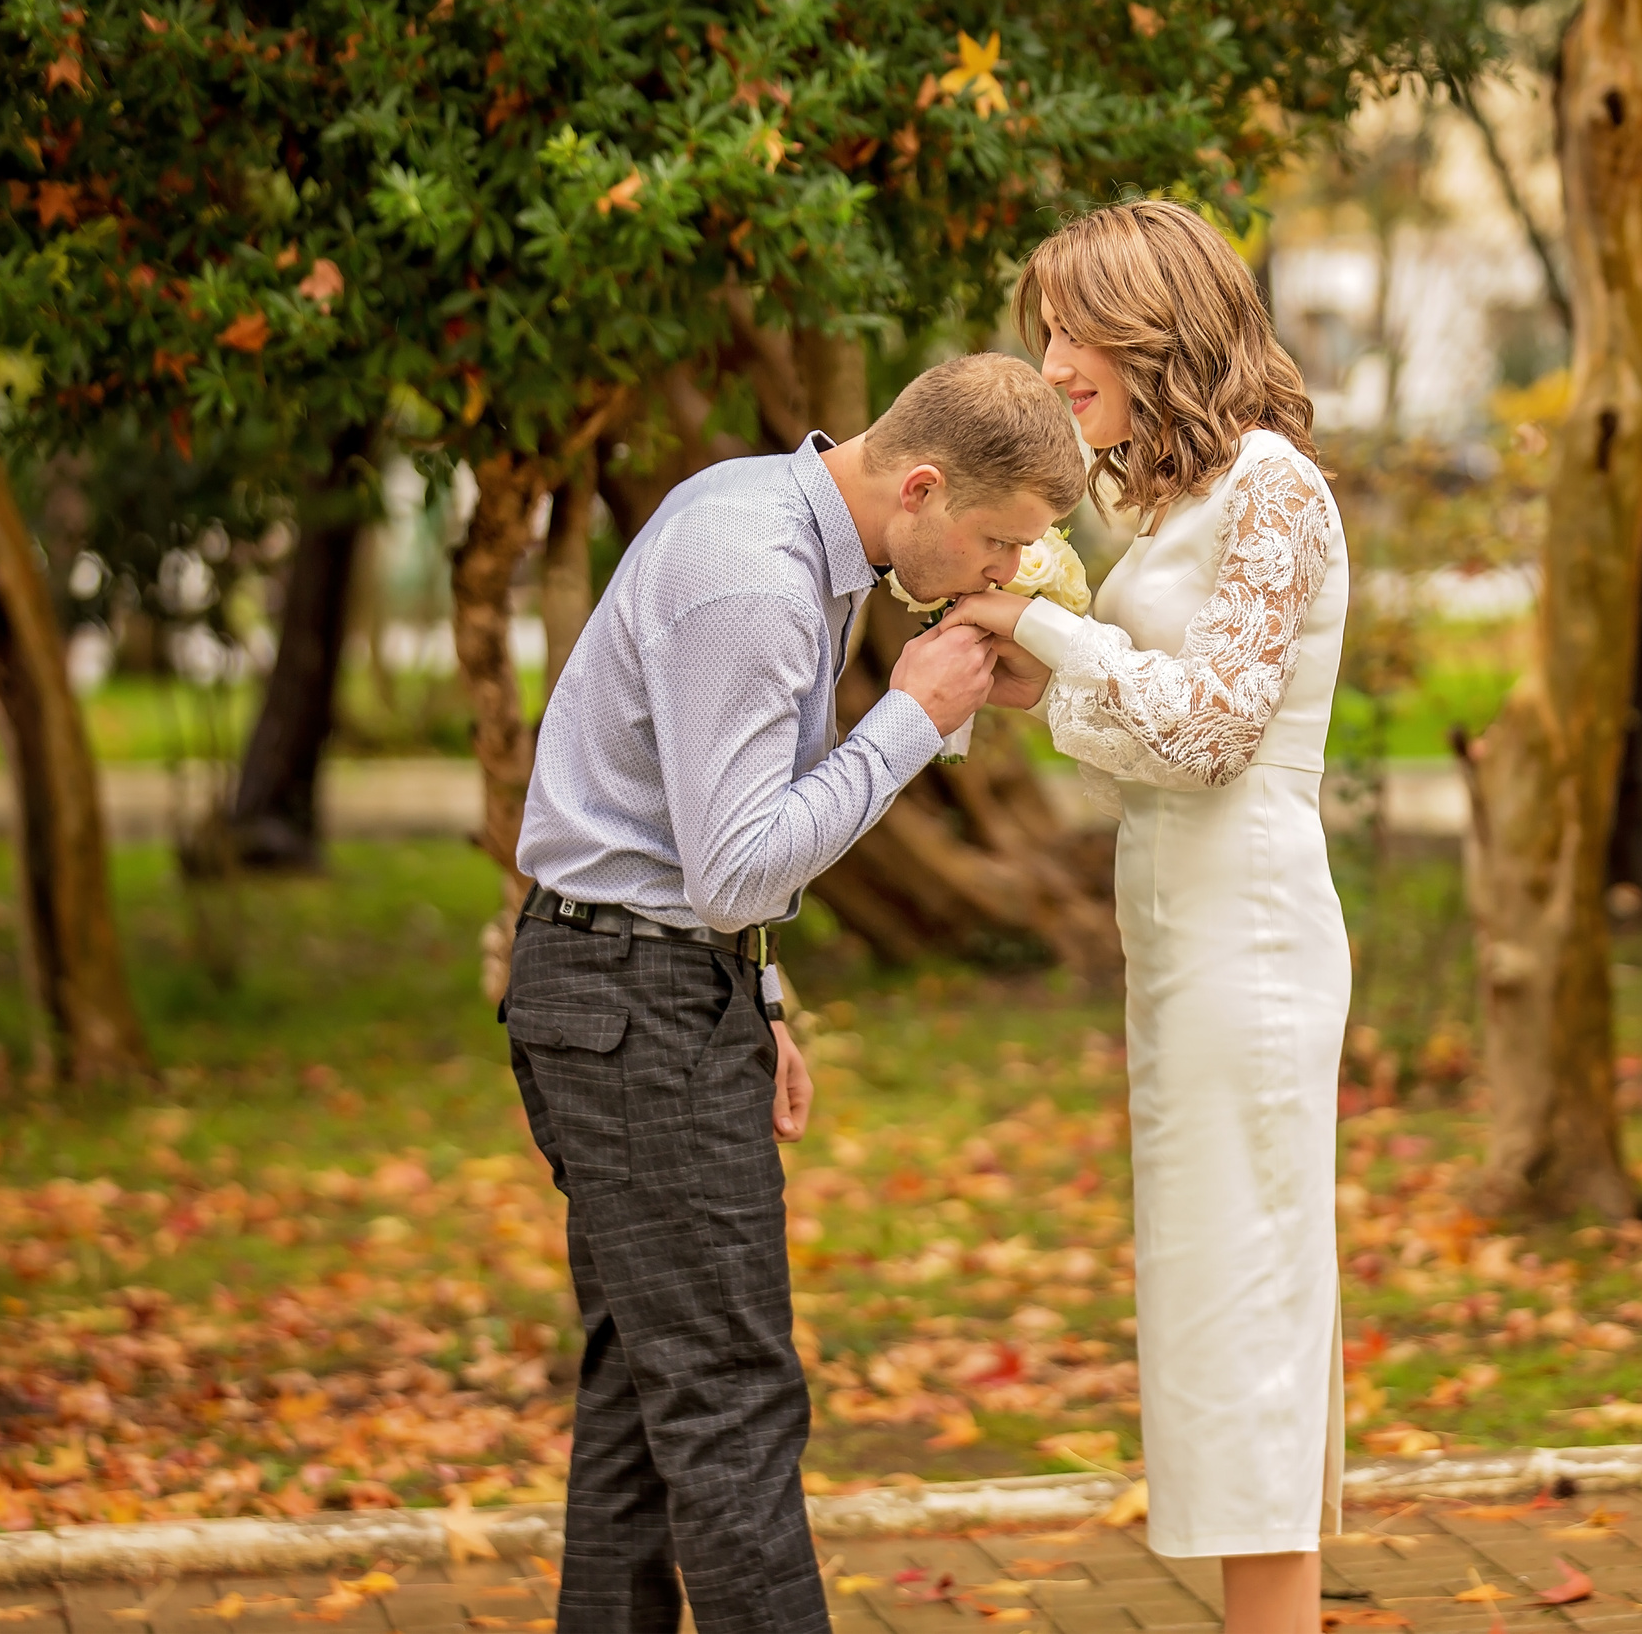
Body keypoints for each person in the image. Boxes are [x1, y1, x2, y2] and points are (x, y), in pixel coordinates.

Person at [505, 352, 1082, 1634]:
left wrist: (752, 997)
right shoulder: (755, 577)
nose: (1006, 570)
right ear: (920, 488)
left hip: (646, 984)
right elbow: (732, 869)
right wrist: (907, 722)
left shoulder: (775, 519)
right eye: (998, 542)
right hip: (629, 1000)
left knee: (644, 1397)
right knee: (729, 1401)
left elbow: (710, 830)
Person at [944, 201, 1352, 1634]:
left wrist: (1051, 632)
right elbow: (1144, 739)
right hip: (1179, 939)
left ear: (1156, 327)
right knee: (1208, 1298)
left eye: (1076, 331)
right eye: (1046, 331)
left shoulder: (1276, 488)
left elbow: (1218, 731)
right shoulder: (1174, 503)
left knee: (1250, 1298)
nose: (1052, 362)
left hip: (1252, 936)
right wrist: (1034, 677)